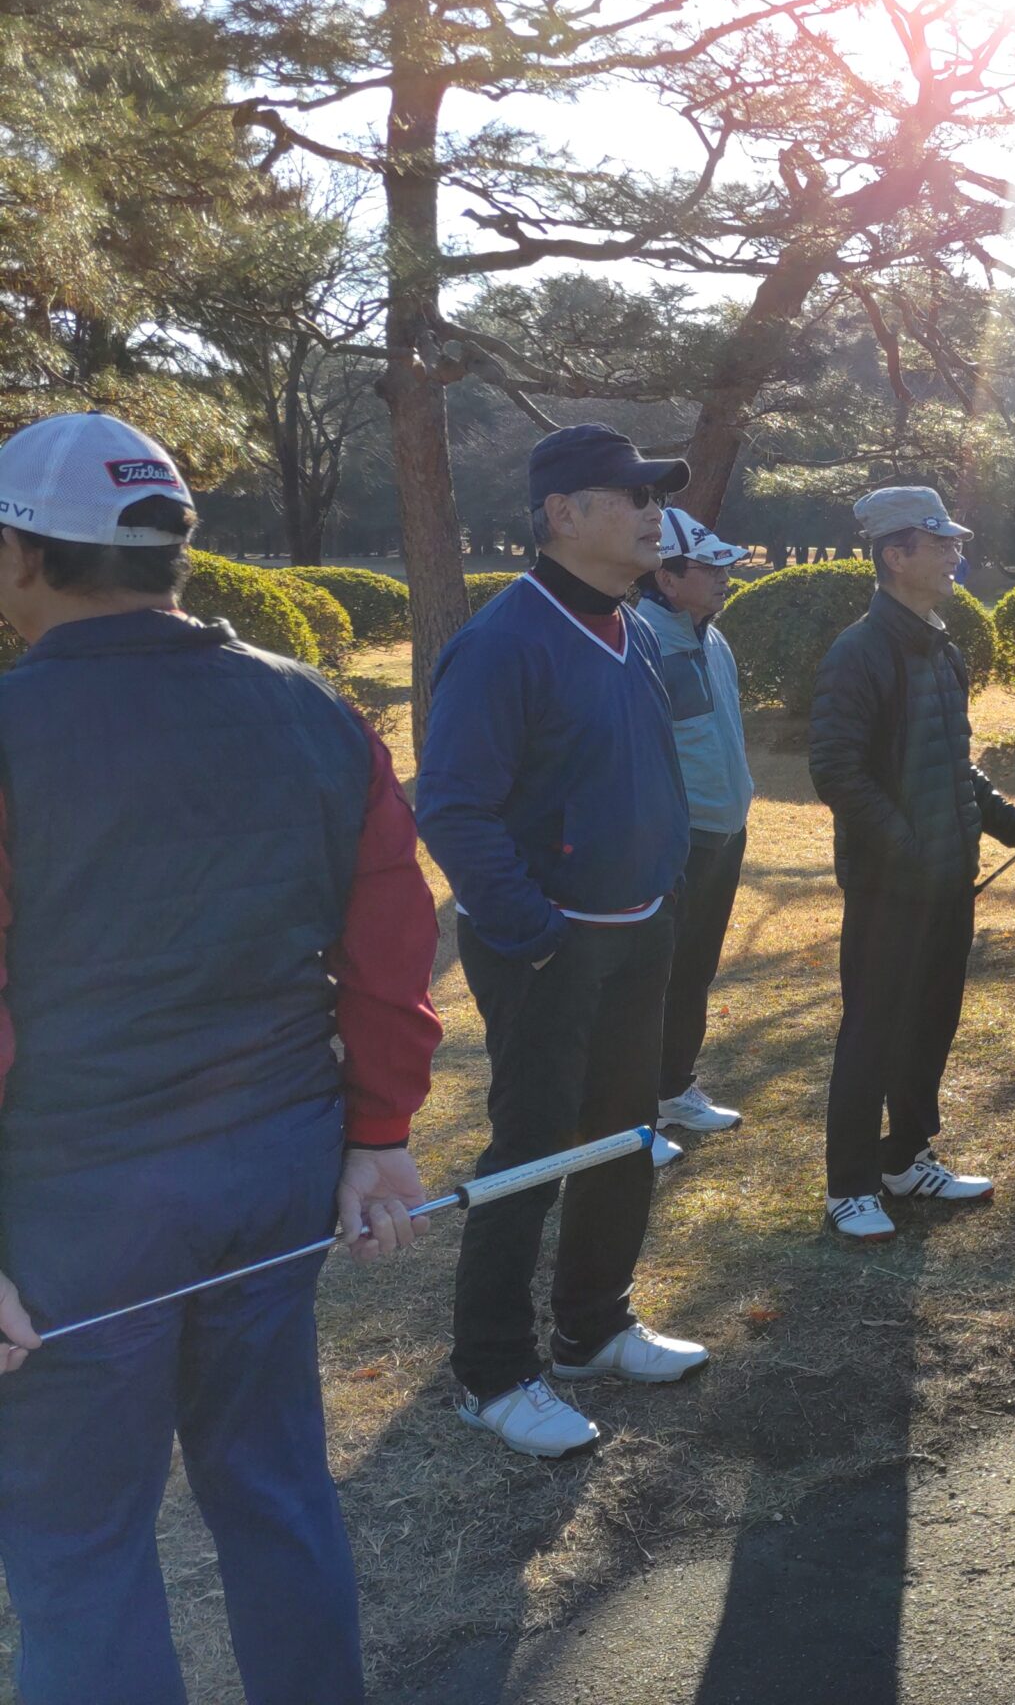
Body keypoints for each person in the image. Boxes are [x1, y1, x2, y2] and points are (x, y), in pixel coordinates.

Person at [0, 413, 441, 1701]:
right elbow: (391, 947)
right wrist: (377, 1134)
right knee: (276, 1490)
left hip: (74, 1207)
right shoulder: (312, 709)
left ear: (21, 556)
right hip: (270, 1172)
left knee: (80, 1549)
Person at [417, 423, 707, 1460]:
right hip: (549, 948)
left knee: (624, 1135)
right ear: (563, 513)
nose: (654, 514)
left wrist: (662, 890)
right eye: (632, 496)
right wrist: (536, 934)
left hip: (638, 931)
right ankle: (492, 1373)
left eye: (654, 496)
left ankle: (593, 1329)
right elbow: (452, 807)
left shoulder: (635, 628)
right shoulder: (504, 640)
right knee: (531, 1153)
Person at [808, 487, 1015, 1240]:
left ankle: (906, 1157)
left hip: (948, 881)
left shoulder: (941, 646)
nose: (956, 554)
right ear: (895, 555)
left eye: (954, 541)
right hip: (890, 888)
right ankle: (850, 1185)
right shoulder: (859, 652)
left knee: (931, 1024)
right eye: (939, 542)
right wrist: (909, 851)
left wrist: (1007, 822)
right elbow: (837, 772)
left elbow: (953, 762)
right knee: (872, 1032)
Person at [633, 508, 755, 1142]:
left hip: (724, 836)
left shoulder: (714, 639)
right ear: (667, 577)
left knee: (696, 970)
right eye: (710, 569)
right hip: (678, 844)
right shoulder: (641, 643)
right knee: (654, 977)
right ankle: (634, 1109)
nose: (724, 578)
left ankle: (674, 1090)